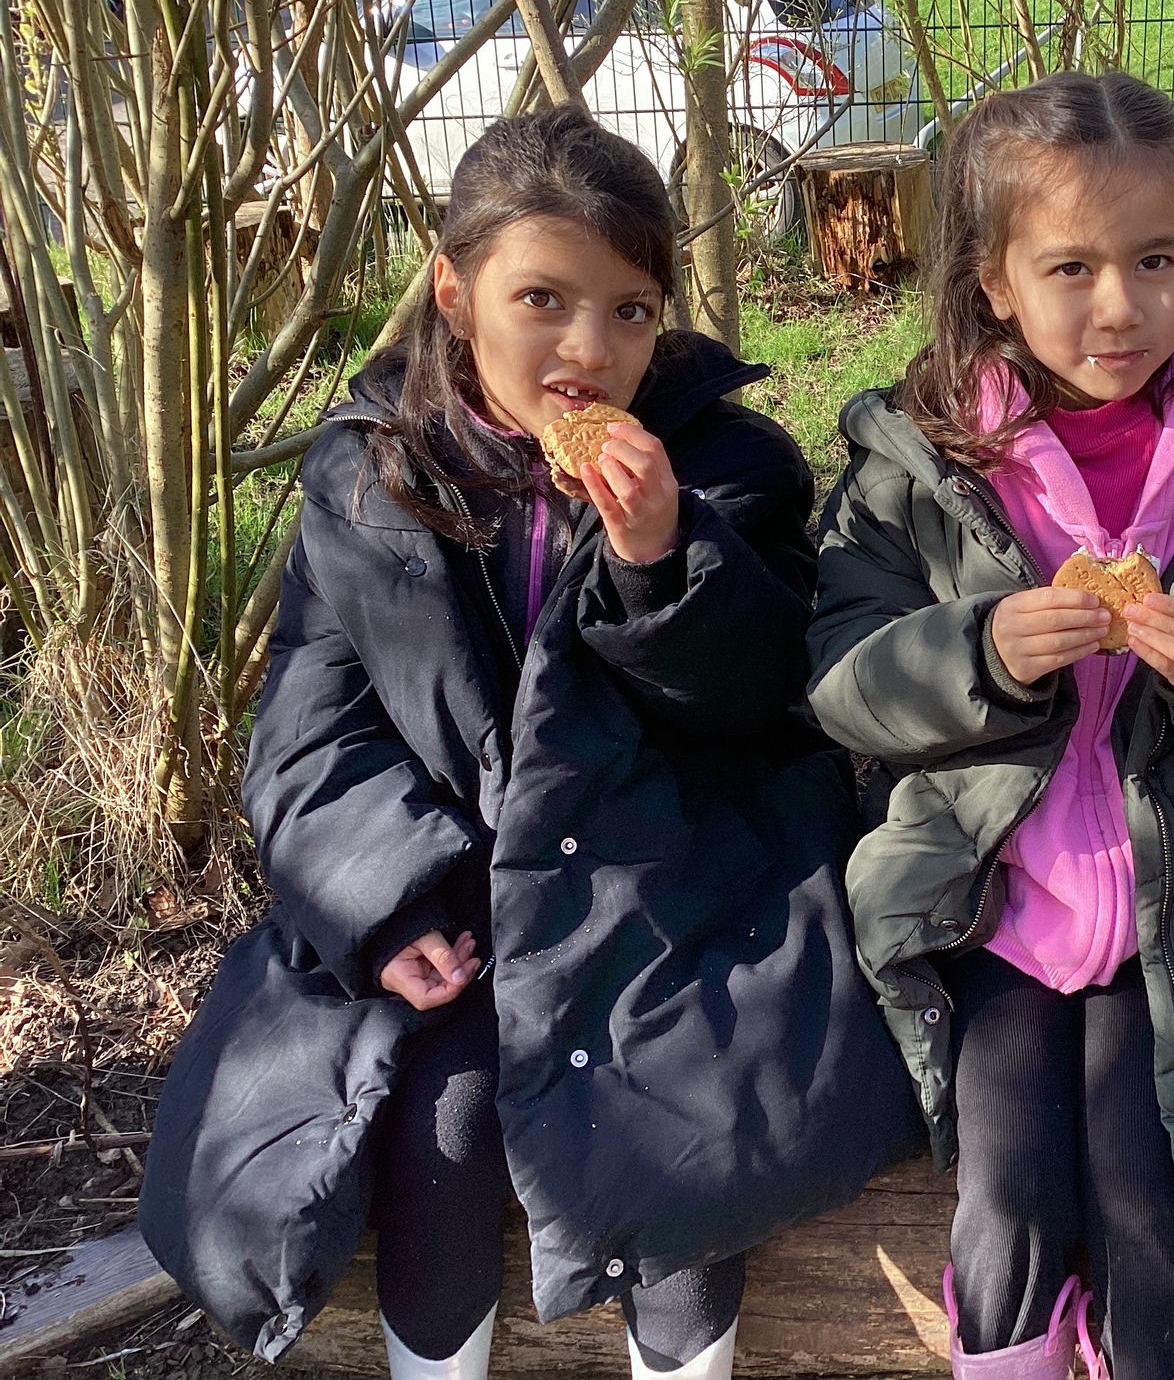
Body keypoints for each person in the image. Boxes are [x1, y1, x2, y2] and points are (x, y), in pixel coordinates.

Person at [140, 107, 915, 1380]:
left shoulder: (728, 465)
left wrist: (664, 560)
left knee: (682, 1131)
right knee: (442, 1122)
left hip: (677, 881)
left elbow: (772, 692)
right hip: (455, 893)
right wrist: (387, 909)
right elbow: (309, 729)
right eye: (542, 298)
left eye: (629, 310)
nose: (588, 348)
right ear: (454, 293)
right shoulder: (368, 476)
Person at [807, 71, 1174, 1380]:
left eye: (1153, 260)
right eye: (1071, 267)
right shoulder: (918, 468)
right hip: (989, 898)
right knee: (1008, 1191)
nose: (1119, 305)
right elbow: (842, 677)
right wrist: (979, 652)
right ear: (995, 283)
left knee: (1148, 1188)